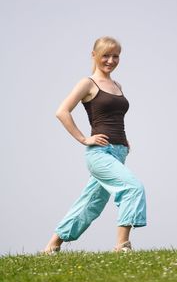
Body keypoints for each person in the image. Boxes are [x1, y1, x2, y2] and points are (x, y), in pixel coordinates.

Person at [43, 36, 147, 254]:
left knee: (90, 203)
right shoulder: (87, 83)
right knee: (132, 187)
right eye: (105, 55)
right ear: (94, 56)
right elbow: (61, 112)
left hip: (118, 151)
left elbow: (115, 116)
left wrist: (124, 139)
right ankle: (122, 246)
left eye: (115, 56)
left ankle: (52, 245)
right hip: (99, 153)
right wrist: (83, 139)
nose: (110, 60)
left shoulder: (118, 85)